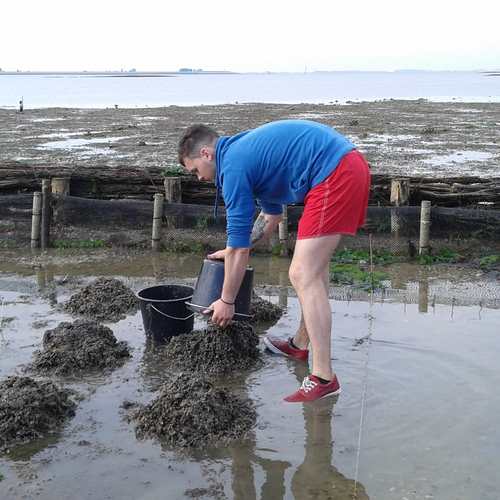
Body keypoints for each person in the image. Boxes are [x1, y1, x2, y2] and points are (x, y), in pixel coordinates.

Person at [177, 120, 370, 402]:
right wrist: (230, 250)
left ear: (206, 154)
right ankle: (299, 345)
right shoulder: (244, 156)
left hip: (335, 173)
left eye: (195, 170)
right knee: (314, 271)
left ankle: (324, 378)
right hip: (344, 167)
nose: (198, 178)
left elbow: (239, 248)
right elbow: (271, 216)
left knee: (302, 274)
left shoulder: (233, 167)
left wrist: (227, 301)